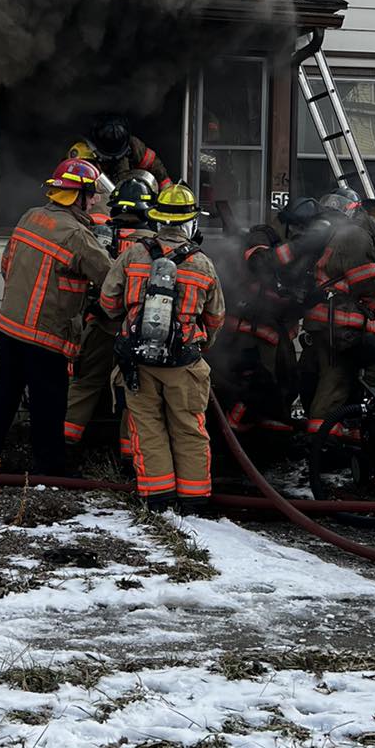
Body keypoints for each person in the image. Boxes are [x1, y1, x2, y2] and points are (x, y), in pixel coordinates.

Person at [0, 158, 112, 476]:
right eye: (90, 194)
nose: (93, 200)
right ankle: (48, 471)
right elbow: (110, 278)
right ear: (77, 195)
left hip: (10, 329)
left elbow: (6, 264)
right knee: (48, 404)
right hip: (46, 336)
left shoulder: (30, 217)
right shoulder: (78, 236)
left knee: (4, 397)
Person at [100, 183, 226, 512]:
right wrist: (201, 344)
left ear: (156, 220)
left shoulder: (133, 254)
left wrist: (128, 318)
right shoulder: (203, 265)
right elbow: (215, 317)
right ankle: (194, 500)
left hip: (137, 362)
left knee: (147, 429)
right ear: (190, 223)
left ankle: (156, 497)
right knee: (189, 429)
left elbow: (108, 301)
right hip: (184, 363)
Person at [303, 188, 375, 440]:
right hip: (340, 325)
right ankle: (333, 442)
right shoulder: (357, 236)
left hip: (334, 324)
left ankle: (335, 438)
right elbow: (367, 286)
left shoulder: (359, 234)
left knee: (338, 384)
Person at [220, 197, 332, 444]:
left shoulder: (306, 254)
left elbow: (295, 290)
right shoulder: (262, 236)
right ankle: (234, 436)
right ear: (291, 225)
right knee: (257, 388)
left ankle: (270, 435)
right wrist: (300, 247)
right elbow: (260, 263)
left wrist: (308, 297)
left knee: (289, 385)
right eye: (301, 230)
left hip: (277, 333)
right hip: (249, 332)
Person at [64, 176, 156, 452]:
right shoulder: (155, 245)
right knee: (134, 393)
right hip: (138, 333)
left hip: (101, 324)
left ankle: (63, 442)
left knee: (85, 384)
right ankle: (129, 458)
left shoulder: (97, 234)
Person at [88, 114, 172, 191]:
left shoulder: (134, 146)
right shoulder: (85, 151)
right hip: (98, 198)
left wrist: (167, 193)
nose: (113, 159)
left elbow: (157, 170)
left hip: (128, 195)